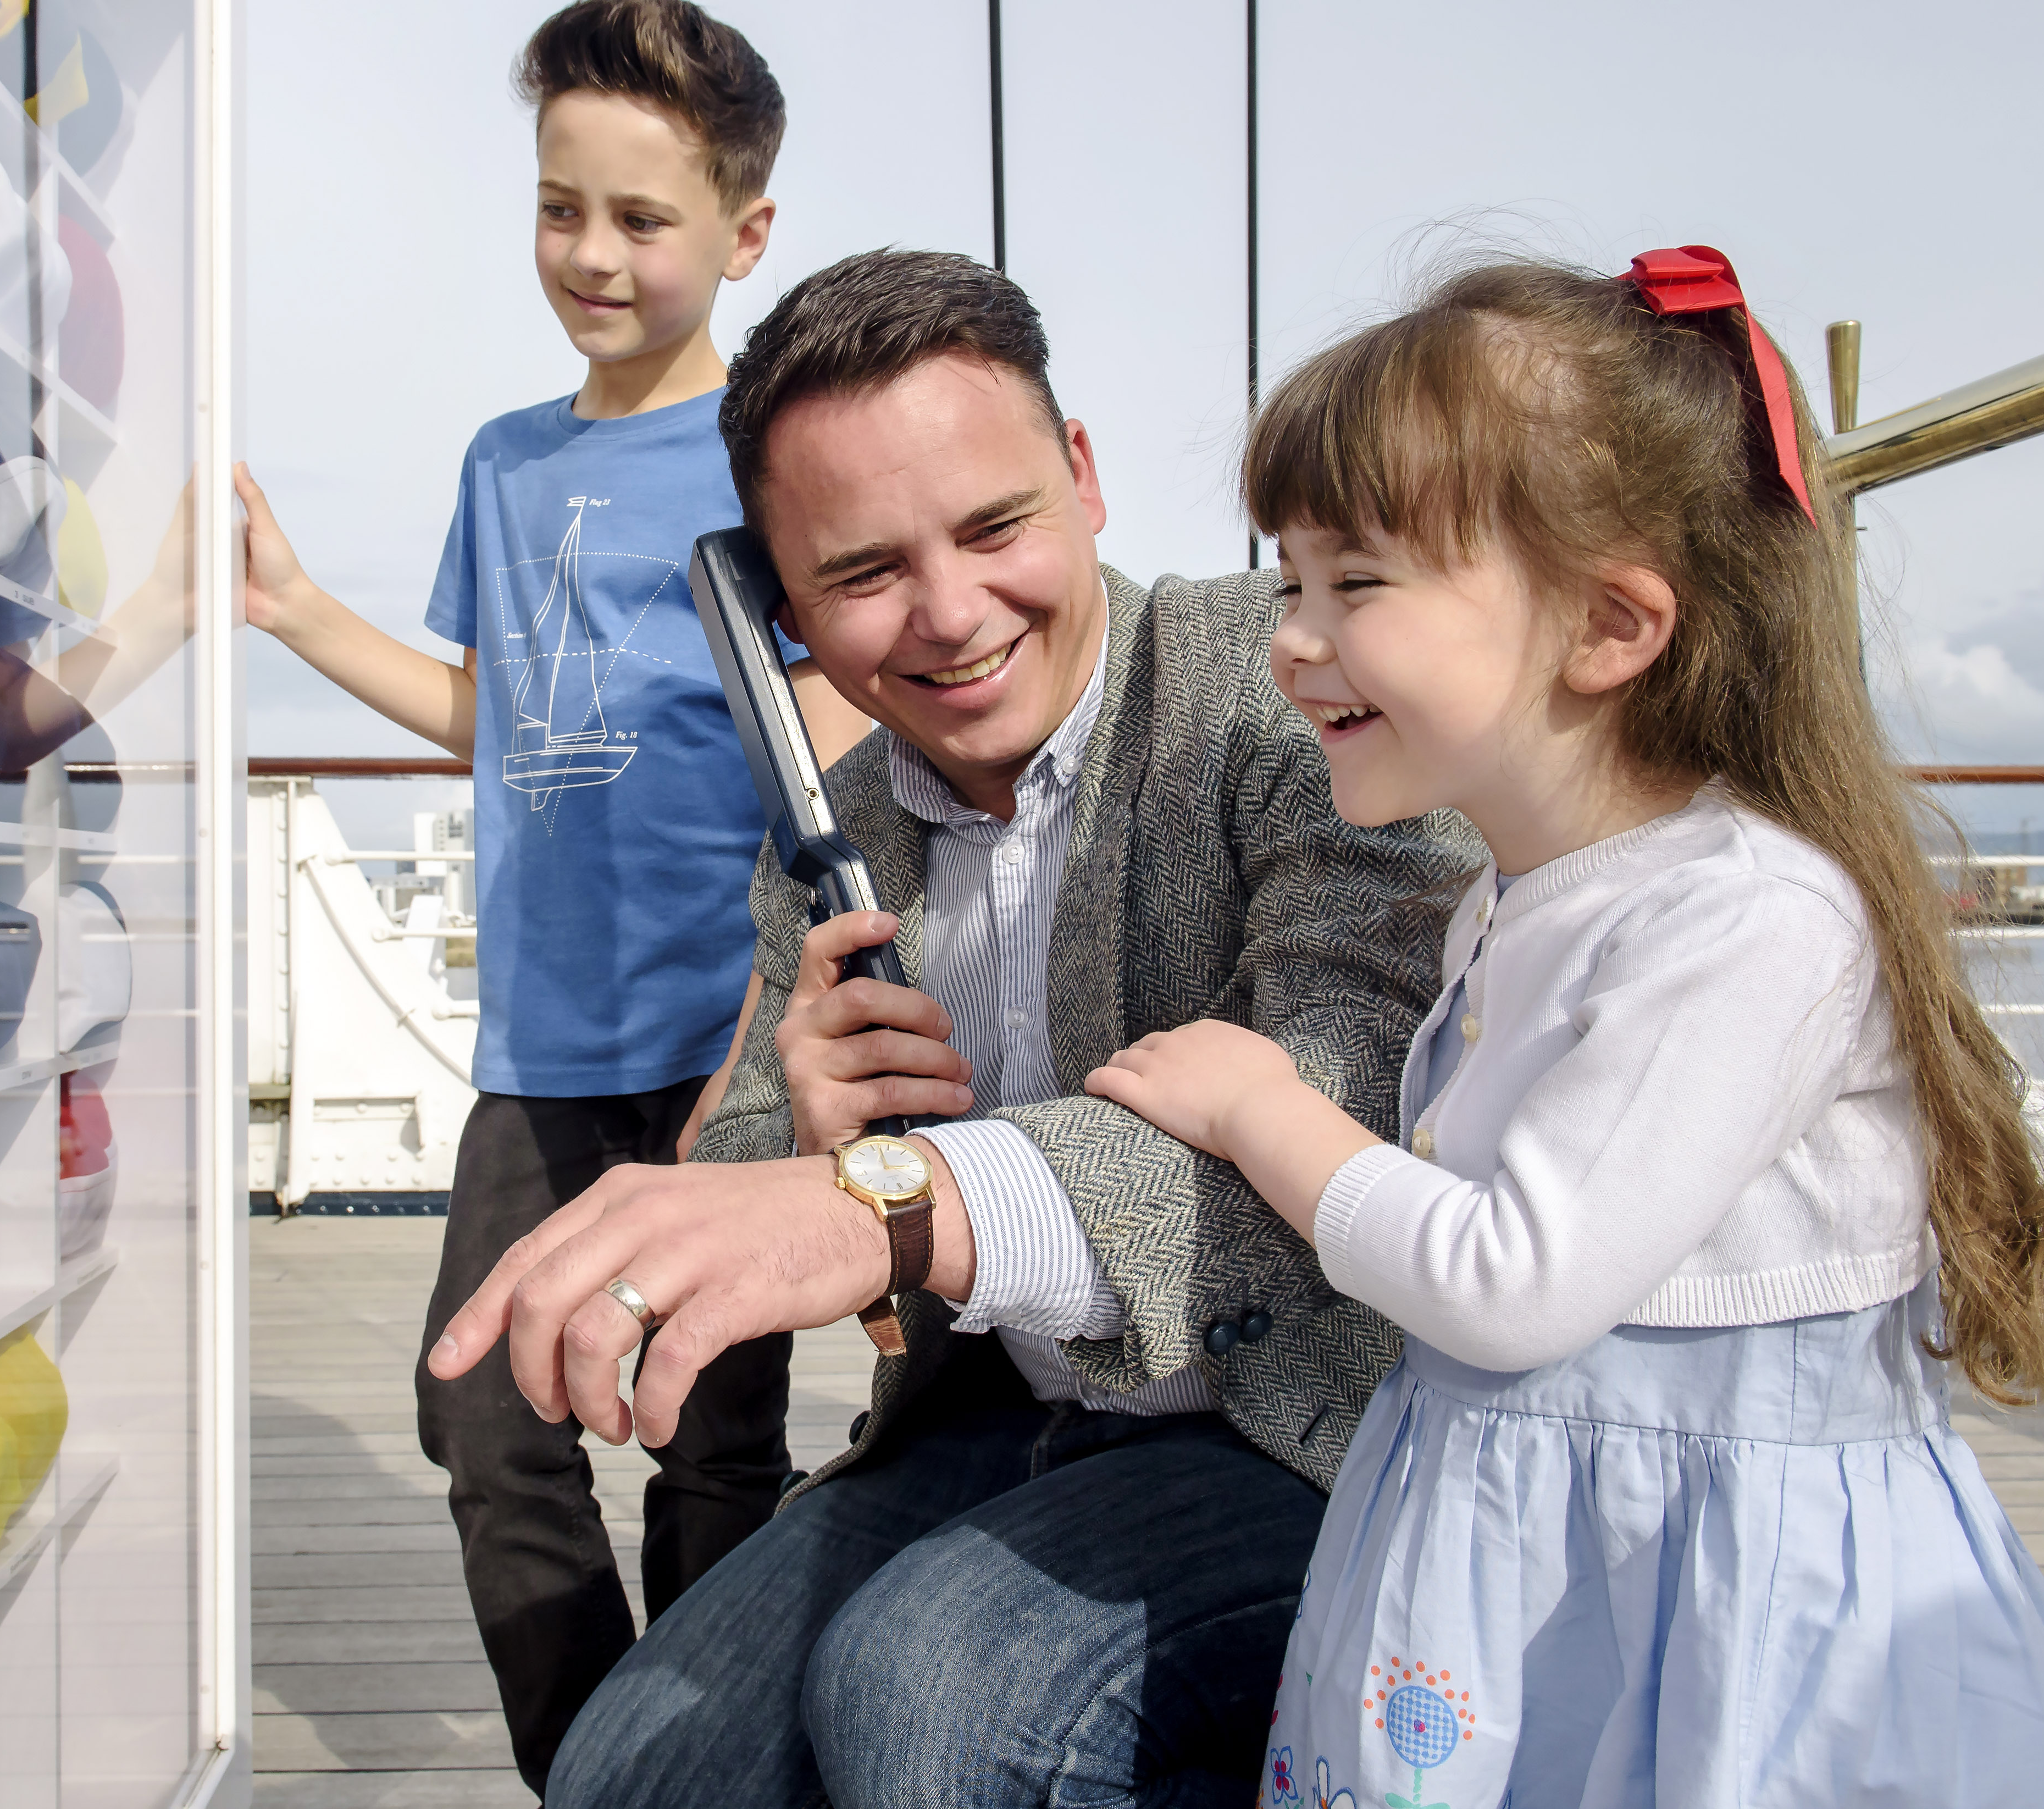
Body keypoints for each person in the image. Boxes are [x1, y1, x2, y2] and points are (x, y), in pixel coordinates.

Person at [428, 247, 1485, 1806]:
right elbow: (757, 1184)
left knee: (934, 1703)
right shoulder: (837, 826)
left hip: (1306, 1421)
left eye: (997, 526)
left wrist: (896, 1201)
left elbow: (1352, 1100)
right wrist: (798, 1118)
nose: (949, 613)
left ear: (1084, 476)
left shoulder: (1280, 693)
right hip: (1007, 1411)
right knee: (629, 1776)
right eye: (862, 574)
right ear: (782, 606)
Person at [1087, 248, 2044, 1802]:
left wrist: (1263, 1111)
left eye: (1357, 581)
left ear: (1611, 625)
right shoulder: (1526, 893)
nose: (1293, 636)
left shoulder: (1753, 917)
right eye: (1291, 579)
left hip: (1719, 1622)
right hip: (1556, 1577)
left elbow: (1513, 1279)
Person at [234, 0, 868, 1791]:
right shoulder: (506, 461)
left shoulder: (774, 451)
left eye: (642, 218)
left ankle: (717, 1750)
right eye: (558, 205)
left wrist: (798, 968)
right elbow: (490, 717)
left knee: (709, 1428)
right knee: (480, 1414)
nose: (592, 251)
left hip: (722, 1032)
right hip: (543, 1033)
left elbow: (854, 703)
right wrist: (291, 614)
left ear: (745, 234)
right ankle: (608, 1758)